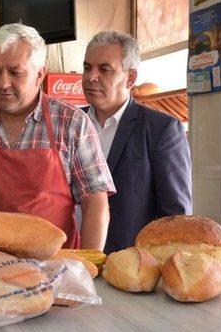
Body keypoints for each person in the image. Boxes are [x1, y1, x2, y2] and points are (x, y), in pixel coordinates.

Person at [0, 23, 115, 250]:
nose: (3, 83)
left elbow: (96, 204)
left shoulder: (71, 123)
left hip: (54, 272)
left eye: (15, 72)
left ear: (39, 74)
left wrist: (87, 267)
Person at [81, 30, 192, 254]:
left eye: (104, 69)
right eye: (87, 67)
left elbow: (176, 218)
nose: (91, 77)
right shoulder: (71, 124)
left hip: (131, 270)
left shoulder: (161, 130)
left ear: (130, 78)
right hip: (73, 264)